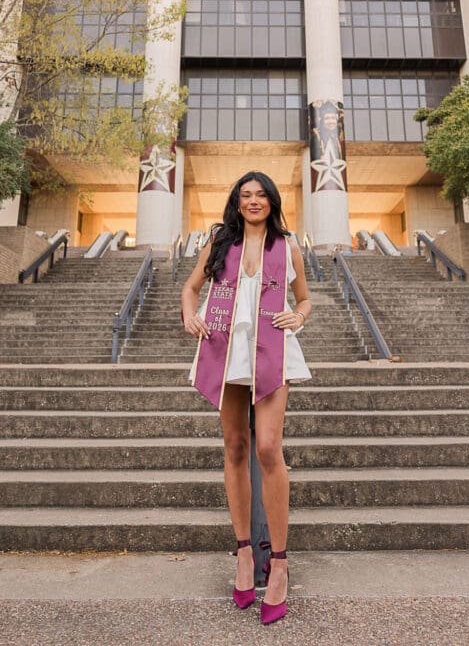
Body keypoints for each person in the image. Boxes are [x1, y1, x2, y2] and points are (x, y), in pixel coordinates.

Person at [181, 171, 312, 626]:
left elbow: (306, 299)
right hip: (226, 347)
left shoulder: (287, 244)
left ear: (272, 202)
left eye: (261, 195)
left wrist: (298, 316)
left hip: (273, 350)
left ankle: (278, 562)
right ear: (237, 203)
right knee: (235, 447)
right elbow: (190, 288)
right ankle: (241, 552)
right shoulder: (220, 242)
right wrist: (188, 316)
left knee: (267, 447)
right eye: (245, 195)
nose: (253, 201)